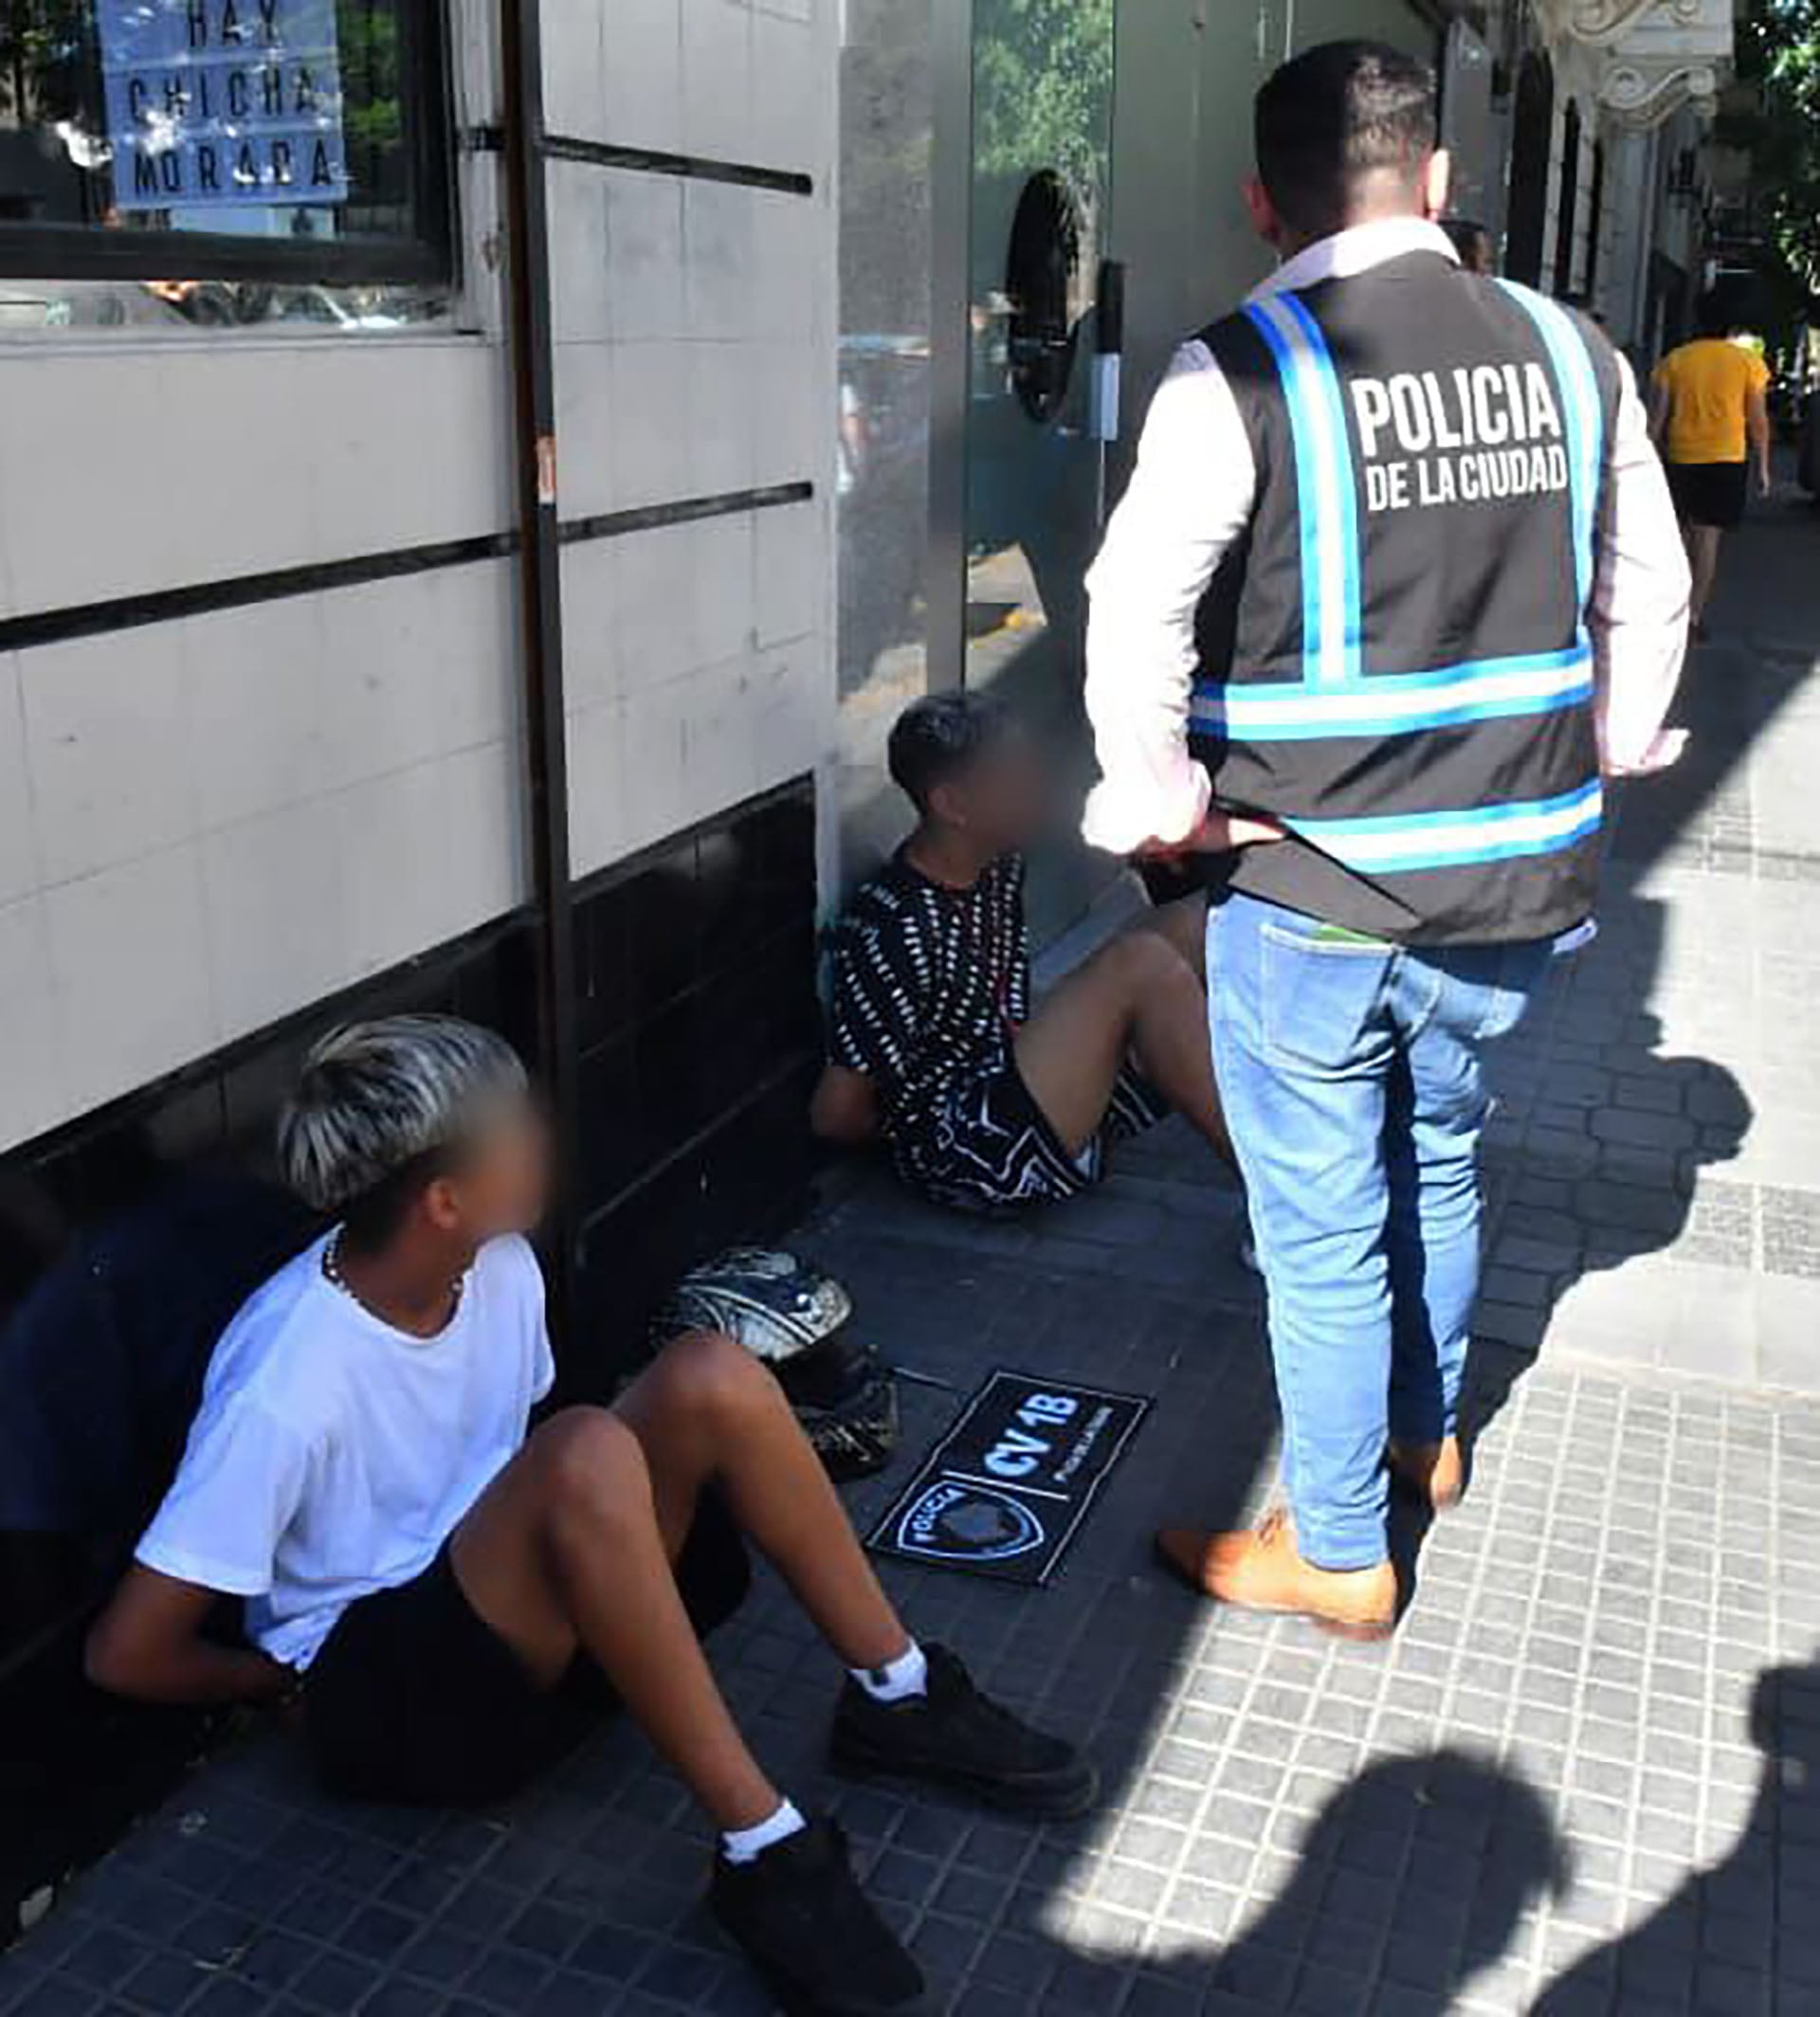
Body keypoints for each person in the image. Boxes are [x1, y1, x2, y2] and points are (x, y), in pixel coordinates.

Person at [84, 1016, 1094, 2017]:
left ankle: (898, 1691)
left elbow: (521, 1478)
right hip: (399, 1710)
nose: (542, 1134)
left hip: (510, 1629)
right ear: (443, 1198)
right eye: (515, 1127)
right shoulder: (289, 1378)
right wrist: (278, 1680)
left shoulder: (499, 1268)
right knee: (583, 1443)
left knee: (708, 1370)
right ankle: (764, 1848)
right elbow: (125, 1653)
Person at [1083, 41, 1689, 1636]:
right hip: (1515, 887)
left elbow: (1131, 604)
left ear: (1261, 202)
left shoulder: (1241, 367)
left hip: (1316, 885)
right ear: (1441, 180)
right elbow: (1656, 586)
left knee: (1323, 1219)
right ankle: (1426, 1444)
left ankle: (1342, 1545)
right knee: (1438, 1153)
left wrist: (1161, 806)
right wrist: (1607, 750)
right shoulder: (1577, 356)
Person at [811, 690, 1236, 1215]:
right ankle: (1289, 1213)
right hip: (972, 1154)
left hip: (1020, 1083)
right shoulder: (893, 926)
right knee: (1141, 964)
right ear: (954, 806)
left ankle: (1318, 1134)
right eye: (1015, 778)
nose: (1040, 789)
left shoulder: (998, 866)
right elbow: (837, 1114)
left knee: (1213, 919)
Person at [1651, 295, 1773, 636]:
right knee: (1707, 539)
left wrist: (1647, 461)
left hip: (1681, 457)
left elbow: (1656, 421)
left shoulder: (1674, 361)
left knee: (1677, 537)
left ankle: (1667, 611)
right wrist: (1763, 466)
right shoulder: (1748, 364)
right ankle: (1692, 617)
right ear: (1731, 327)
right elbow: (1758, 419)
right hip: (1725, 459)